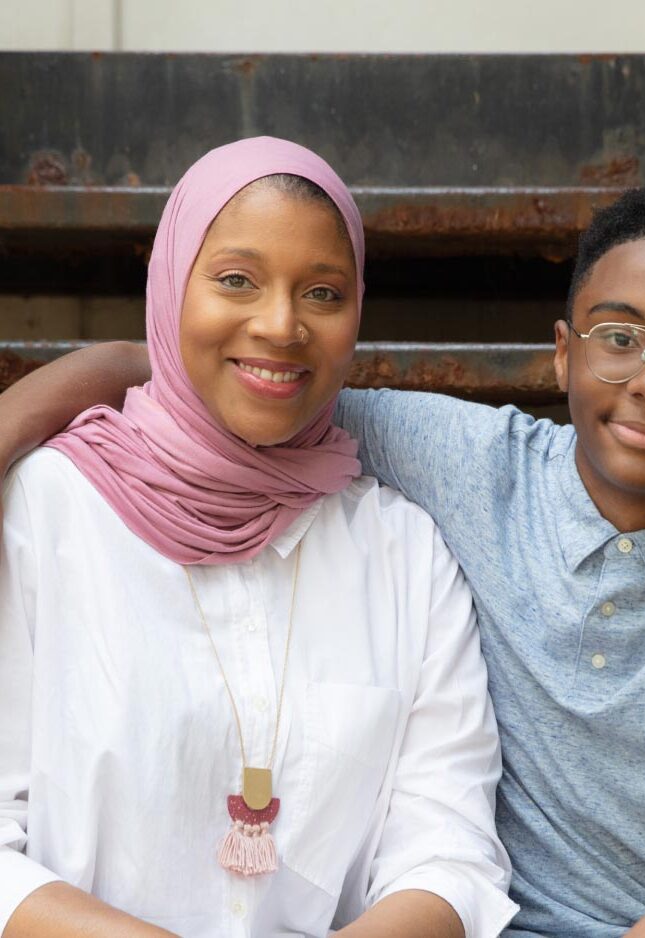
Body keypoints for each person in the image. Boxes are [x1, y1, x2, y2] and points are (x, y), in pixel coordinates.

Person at [1, 184, 645, 937]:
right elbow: (233, 379)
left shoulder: (401, 537)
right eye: (621, 339)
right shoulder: (474, 467)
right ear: (563, 355)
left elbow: (447, 846)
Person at [0, 137, 517, 938]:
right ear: (171, 287)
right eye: (236, 280)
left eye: (322, 292)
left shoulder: (404, 554)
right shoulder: (43, 512)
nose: (280, 325)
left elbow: (448, 851)